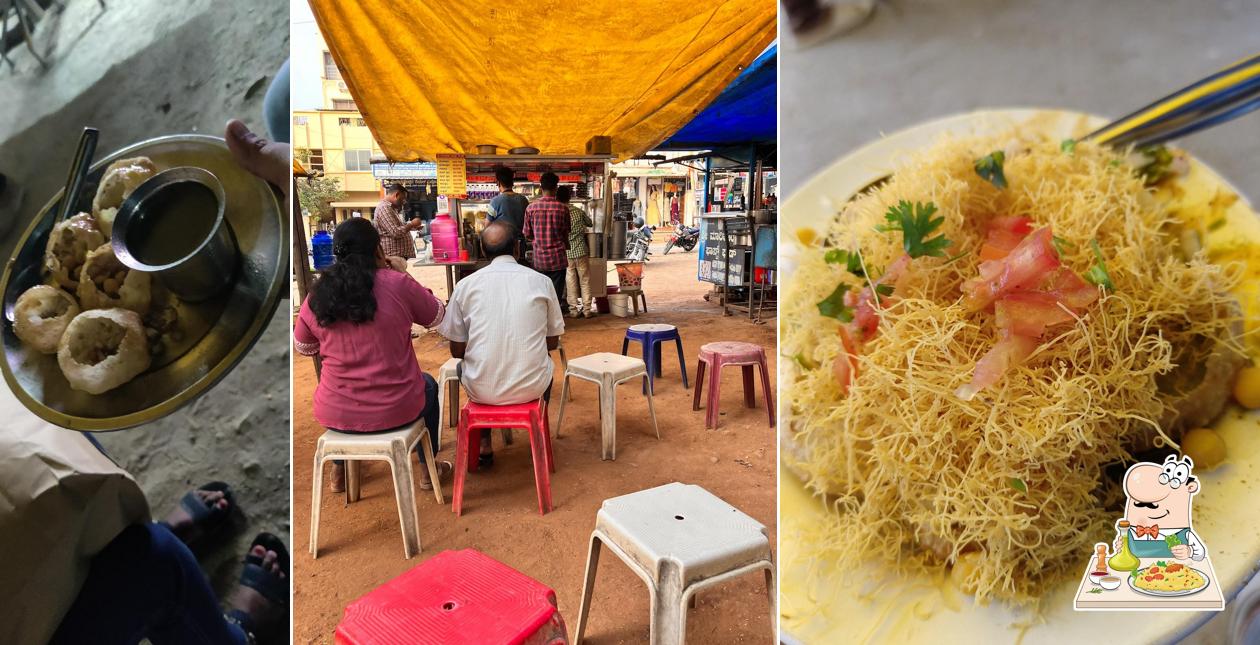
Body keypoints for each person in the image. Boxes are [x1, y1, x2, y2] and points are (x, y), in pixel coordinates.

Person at [293, 218, 451, 493]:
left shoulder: (317, 294)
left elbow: (304, 347)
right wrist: (404, 273)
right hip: (396, 407)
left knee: (341, 398)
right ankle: (428, 469)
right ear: (378, 250)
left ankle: (339, 473)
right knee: (429, 385)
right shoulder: (398, 283)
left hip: (336, 410)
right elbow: (437, 315)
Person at [438, 221, 564, 466]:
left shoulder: (465, 286)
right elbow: (552, 342)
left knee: (467, 365)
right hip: (531, 387)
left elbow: (457, 351)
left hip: (482, 389)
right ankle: (537, 429)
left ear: (483, 252)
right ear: (517, 248)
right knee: (546, 364)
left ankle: (484, 441)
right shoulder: (541, 282)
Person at [522, 171, 571, 314]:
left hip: (539, 260)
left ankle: (542, 320)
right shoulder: (563, 209)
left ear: (540, 187)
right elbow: (565, 233)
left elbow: (527, 234)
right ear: (556, 188)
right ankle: (554, 323)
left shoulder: (531, 208)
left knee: (540, 294)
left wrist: (538, 238)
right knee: (555, 295)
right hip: (558, 259)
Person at [558, 186, 595, 318]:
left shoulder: (559, 212)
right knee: (585, 280)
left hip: (567, 252)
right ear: (569, 197)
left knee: (570, 281)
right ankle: (587, 310)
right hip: (581, 251)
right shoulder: (578, 211)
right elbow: (590, 223)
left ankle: (573, 310)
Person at [373, 184, 423, 260]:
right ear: (397, 195)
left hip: (396, 257)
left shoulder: (391, 208)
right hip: (392, 257)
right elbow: (395, 232)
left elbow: (398, 227)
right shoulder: (384, 208)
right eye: (403, 199)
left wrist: (413, 227)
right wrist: (411, 224)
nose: (404, 202)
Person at [488, 165, 529, 237]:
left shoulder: (495, 202)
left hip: (501, 243)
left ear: (499, 183)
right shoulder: (524, 200)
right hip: (520, 243)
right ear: (512, 182)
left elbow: (487, 226)